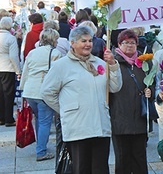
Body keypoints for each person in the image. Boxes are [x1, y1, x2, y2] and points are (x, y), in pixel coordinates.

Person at [41, 26, 122, 174]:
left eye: (90, 40)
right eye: (83, 41)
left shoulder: (99, 63)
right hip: (78, 128)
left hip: (100, 126)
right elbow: (47, 92)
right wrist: (66, 109)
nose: (88, 44)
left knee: (100, 169)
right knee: (81, 169)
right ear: (72, 43)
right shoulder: (61, 65)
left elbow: (115, 87)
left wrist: (112, 65)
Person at [109, 29, 154, 174]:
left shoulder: (145, 63)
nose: (129, 45)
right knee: (123, 160)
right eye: (125, 42)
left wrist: (150, 91)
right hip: (120, 120)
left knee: (140, 159)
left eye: (133, 42)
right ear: (119, 44)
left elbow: (152, 83)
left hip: (140, 119)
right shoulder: (112, 63)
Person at [20, 29, 62, 161]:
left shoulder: (32, 52)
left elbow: (25, 71)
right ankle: (41, 151)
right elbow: (59, 73)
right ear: (54, 39)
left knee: (39, 119)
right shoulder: (55, 53)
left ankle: (41, 146)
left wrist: (22, 90)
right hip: (43, 91)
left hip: (30, 90)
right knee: (45, 121)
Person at [0, 17, 21, 126]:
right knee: (8, 94)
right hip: (7, 68)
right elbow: (13, 56)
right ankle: (8, 118)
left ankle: (1, 117)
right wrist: (18, 70)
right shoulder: (11, 38)